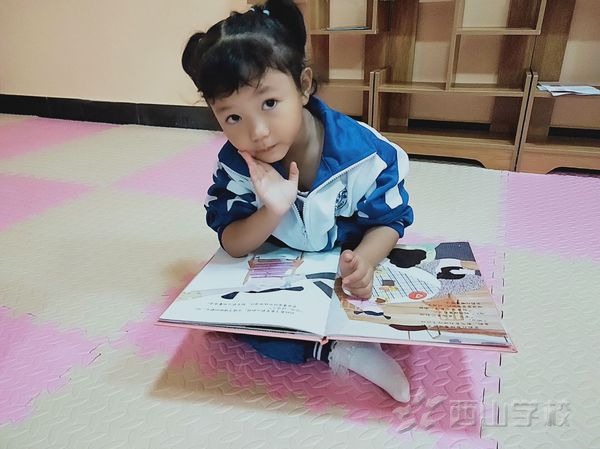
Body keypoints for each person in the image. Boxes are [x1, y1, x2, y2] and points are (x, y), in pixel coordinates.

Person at [181, 0, 414, 402]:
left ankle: (356, 334)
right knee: (235, 318)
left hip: (346, 261)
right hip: (281, 269)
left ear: (304, 85)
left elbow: (390, 220)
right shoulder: (237, 165)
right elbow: (232, 243)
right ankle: (334, 349)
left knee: (389, 300)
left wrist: (365, 262)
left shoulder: (365, 154)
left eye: (269, 104)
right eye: (233, 117)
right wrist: (272, 210)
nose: (257, 132)